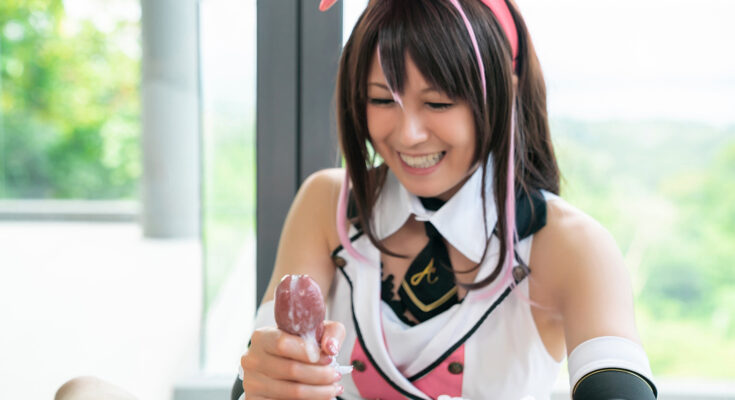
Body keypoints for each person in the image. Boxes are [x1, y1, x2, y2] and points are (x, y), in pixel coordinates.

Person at [235, 0, 657, 399]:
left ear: (504, 94)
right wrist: (268, 375)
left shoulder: (568, 243)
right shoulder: (329, 204)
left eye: (438, 102)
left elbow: (618, 384)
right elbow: (252, 380)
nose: (408, 135)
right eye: (381, 99)